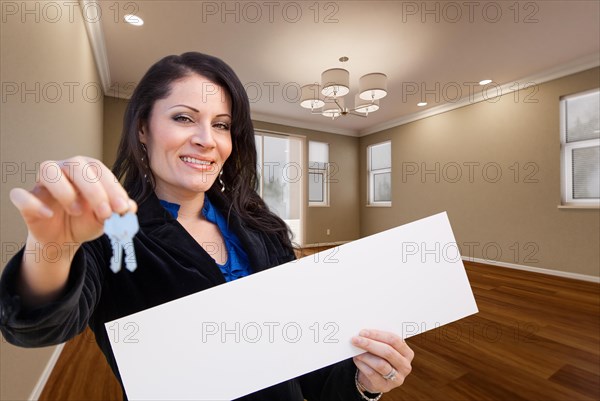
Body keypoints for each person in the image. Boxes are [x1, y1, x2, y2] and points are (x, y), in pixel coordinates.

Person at [0, 52, 414, 401]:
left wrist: (364, 382)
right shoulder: (109, 234)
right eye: (184, 118)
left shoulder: (262, 227)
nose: (207, 139)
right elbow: (36, 326)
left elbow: (309, 363)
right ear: (143, 128)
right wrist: (53, 245)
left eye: (220, 124)